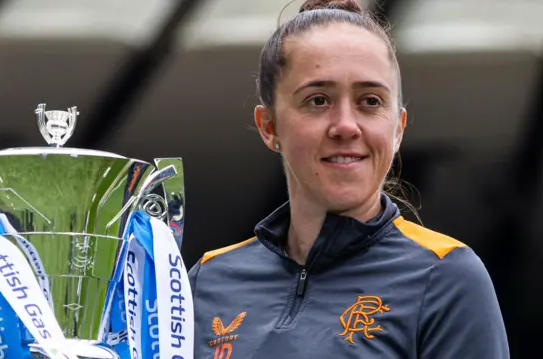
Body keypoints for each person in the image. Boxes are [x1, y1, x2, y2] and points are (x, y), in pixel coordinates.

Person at [188, 0, 510, 358]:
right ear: (269, 126)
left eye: (370, 101)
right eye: (318, 100)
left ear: (398, 129)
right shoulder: (208, 279)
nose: (345, 125)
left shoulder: (445, 276)